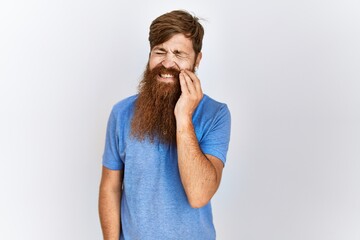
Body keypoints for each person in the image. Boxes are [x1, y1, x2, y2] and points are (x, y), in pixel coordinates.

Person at [98, 10, 231, 240]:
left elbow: (199, 194)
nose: (167, 62)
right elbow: (110, 186)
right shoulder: (121, 113)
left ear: (197, 60)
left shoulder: (216, 114)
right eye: (160, 51)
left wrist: (183, 116)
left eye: (179, 54)